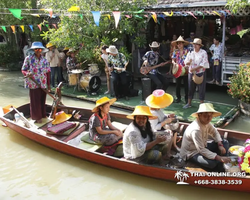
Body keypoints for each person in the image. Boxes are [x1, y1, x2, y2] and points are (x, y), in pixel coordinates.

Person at [180, 103, 231, 171]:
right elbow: (201, 150)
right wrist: (219, 158)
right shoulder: (196, 129)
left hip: (204, 146)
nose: (209, 118)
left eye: (210, 116)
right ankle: (221, 160)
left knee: (225, 142)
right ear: (199, 115)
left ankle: (221, 160)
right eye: (205, 115)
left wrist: (220, 145)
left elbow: (215, 132)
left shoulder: (206, 123)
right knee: (211, 164)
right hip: (192, 153)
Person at [21, 42, 51, 123]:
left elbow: (48, 72)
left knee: (42, 100)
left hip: (43, 83)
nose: (38, 51)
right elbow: (23, 69)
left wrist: (48, 85)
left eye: (40, 49)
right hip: (33, 83)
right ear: (33, 50)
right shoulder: (29, 58)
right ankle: (37, 118)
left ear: (42, 50)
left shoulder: (44, 60)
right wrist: (27, 73)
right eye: (36, 49)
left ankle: (43, 114)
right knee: (35, 101)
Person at [183, 38, 210, 109]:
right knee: (190, 88)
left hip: (200, 72)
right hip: (191, 72)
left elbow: (203, 64)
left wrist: (194, 69)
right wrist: (188, 63)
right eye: (194, 44)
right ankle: (189, 103)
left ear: (200, 46)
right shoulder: (190, 52)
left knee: (201, 89)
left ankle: (202, 105)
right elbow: (186, 61)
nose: (195, 46)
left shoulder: (203, 52)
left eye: (197, 45)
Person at [171, 36, 189, 104]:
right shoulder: (175, 51)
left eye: (181, 43)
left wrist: (187, 65)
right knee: (177, 85)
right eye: (178, 44)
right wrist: (174, 63)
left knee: (186, 85)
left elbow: (189, 59)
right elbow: (173, 59)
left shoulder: (186, 51)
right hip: (178, 69)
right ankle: (178, 98)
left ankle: (187, 98)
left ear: (183, 44)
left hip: (185, 69)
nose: (179, 45)